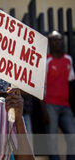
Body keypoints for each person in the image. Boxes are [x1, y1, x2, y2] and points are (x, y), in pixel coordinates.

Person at [42, 31, 75, 160]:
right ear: (50, 43)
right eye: (55, 40)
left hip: (66, 106)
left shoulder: (68, 59)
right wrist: (44, 109)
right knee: (52, 140)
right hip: (50, 105)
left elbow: (71, 83)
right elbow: (41, 86)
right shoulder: (47, 61)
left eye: (60, 39)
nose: (58, 42)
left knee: (72, 136)